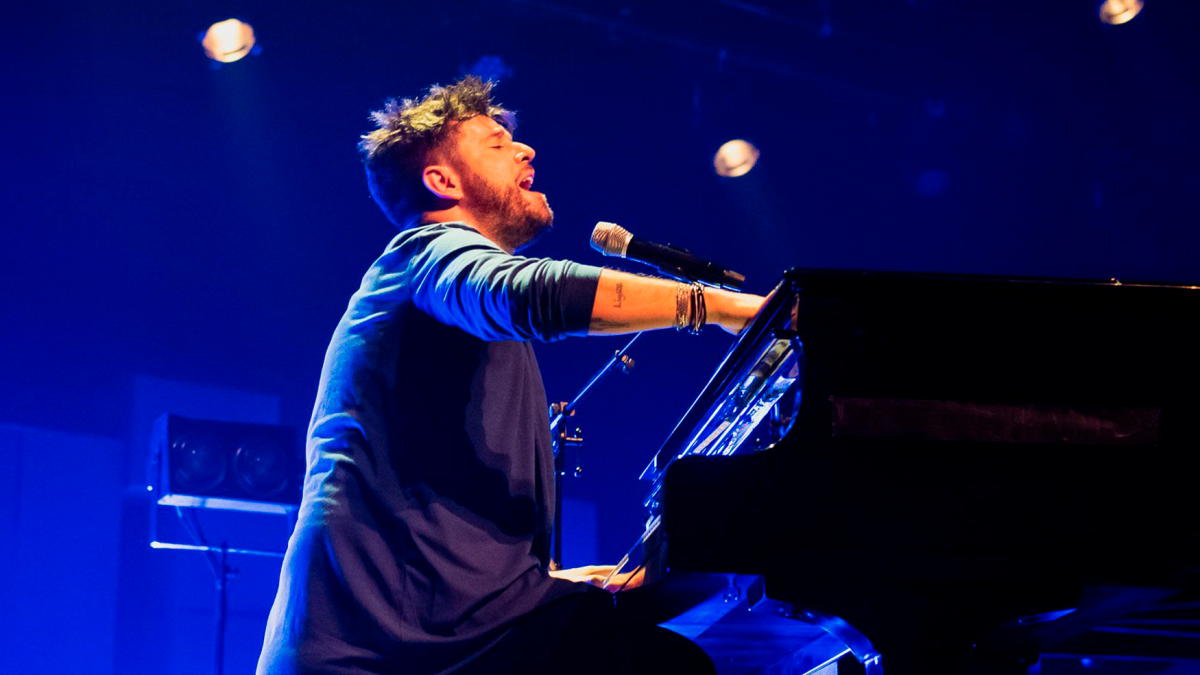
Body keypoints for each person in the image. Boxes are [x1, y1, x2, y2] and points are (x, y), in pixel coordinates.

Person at [257, 76, 764, 675]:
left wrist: (541, 583)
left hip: (434, 640)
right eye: (497, 144)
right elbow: (531, 294)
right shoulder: (425, 253)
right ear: (441, 181)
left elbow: (430, 509)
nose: (525, 151)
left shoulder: (451, 309)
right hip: (376, 657)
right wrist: (730, 309)